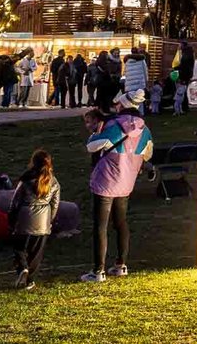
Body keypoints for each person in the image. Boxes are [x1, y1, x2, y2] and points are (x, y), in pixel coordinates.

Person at [80, 92, 153, 283]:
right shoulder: (145, 129)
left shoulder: (114, 125)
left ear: (122, 105)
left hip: (106, 182)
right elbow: (148, 154)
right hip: (126, 182)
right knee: (121, 223)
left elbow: (92, 146)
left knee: (100, 225)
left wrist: (96, 133)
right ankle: (121, 265)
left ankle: (98, 271)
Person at [9, 150, 60, 290]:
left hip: (24, 218)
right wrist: (50, 220)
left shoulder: (25, 179)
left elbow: (15, 201)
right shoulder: (53, 181)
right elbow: (55, 204)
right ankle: (30, 280)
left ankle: (22, 268)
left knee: (18, 247)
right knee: (36, 253)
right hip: (43, 220)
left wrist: (11, 218)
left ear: (33, 162)